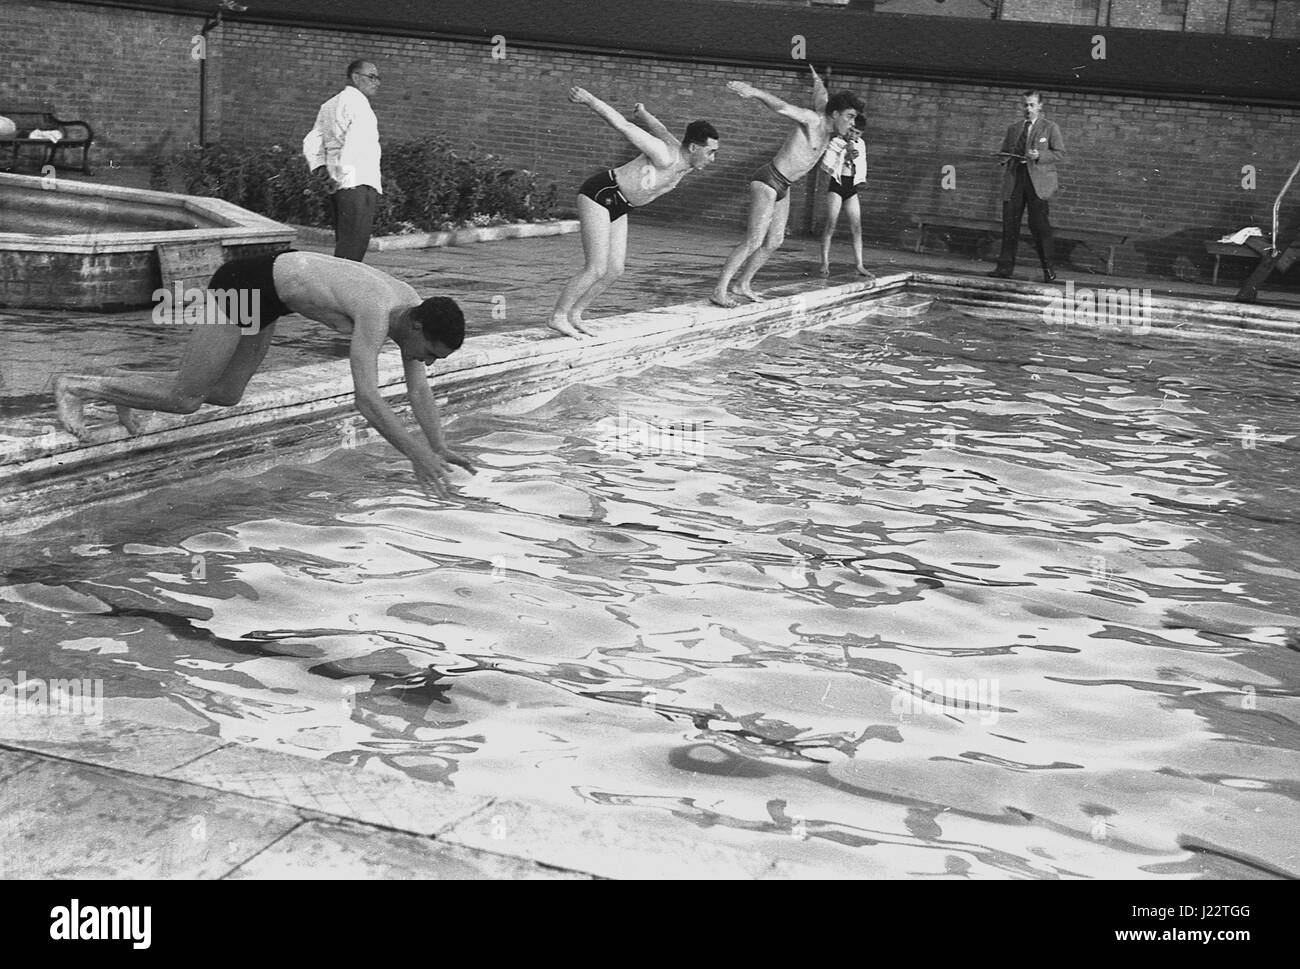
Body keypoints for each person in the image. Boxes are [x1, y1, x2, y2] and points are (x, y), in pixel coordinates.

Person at [53, 251, 474, 497]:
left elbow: (419, 391)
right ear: (417, 327)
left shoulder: (415, 307)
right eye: (431, 354)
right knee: (185, 399)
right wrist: (416, 454)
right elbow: (366, 399)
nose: (428, 362)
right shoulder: (377, 312)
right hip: (244, 285)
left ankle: (121, 386)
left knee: (225, 392)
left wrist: (438, 445)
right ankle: (75, 385)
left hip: (269, 299)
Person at [550, 88, 719, 338]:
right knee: (596, 267)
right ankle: (558, 316)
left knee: (615, 270)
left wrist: (644, 113)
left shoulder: (686, 156)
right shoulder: (664, 155)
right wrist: (589, 100)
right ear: (694, 147)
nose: (713, 159)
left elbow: (660, 128)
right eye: (711, 152)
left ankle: (575, 314)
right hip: (601, 193)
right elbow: (622, 126)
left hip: (622, 204)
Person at [711, 67, 863, 308]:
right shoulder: (813, 121)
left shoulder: (830, 122)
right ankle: (719, 290)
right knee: (754, 240)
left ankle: (742, 285)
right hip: (769, 179)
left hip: (784, 186)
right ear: (835, 114)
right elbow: (781, 107)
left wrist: (815, 77)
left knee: (775, 241)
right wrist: (753, 92)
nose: (853, 123)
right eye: (850, 116)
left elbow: (821, 92)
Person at [305, 59, 384, 262]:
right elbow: (354, 145)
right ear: (356, 78)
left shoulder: (329, 104)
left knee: (346, 239)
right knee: (354, 244)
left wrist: (322, 171)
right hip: (357, 182)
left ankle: (342, 283)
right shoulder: (358, 105)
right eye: (372, 77)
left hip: (341, 180)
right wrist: (341, 178)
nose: (377, 82)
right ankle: (343, 287)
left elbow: (314, 140)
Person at [988, 90, 1065, 283]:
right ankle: (1004, 269)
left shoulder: (1050, 127)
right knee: (1010, 224)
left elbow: (1059, 153)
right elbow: (1006, 150)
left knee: (1039, 226)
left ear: (1040, 106)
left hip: (1038, 182)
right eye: (1025, 105)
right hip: (1015, 179)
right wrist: (1004, 157)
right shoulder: (1014, 128)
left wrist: (1039, 155)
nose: (1027, 109)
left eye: (1031, 105)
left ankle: (1048, 270)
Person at [817, 114, 872, 278]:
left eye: (857, 133)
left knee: (857, 227)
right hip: (837, 186)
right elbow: (827, 165)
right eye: (852, 131)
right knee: (831, 224)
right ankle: (825, 262)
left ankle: (859, 264)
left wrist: (861, 178)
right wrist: (845, 154)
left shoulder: (860, 144)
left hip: (851, 187)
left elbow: (861, 163)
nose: (853, 136)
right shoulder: (836, 142)